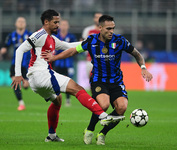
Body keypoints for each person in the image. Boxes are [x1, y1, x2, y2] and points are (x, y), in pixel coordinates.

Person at [11, 9, 125, 143]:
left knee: (57, 101)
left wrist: (92, 41)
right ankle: (103, 115)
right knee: (77, 89)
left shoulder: (52, 38)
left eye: (58, 22)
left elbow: (68, 46)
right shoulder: (40, 34)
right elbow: (20, 49)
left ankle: (51, 136)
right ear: (46, 22)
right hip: (41, 74)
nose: (58, 25)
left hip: (37, 80)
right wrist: (18, 74)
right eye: (55, 22)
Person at [41, 15, 153, 145]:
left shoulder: (120, 41)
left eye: (113, 28)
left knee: (122, 107)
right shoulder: (91, 41)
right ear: (100, 28)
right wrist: (54, 58)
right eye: (108, 28)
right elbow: (73, 51)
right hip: (98, 80)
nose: (111, 31)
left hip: (116, 81)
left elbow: (137, 54)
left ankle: (103, 133)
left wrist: (143, 67)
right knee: (103, 105)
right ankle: (89, 129)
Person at [0, 17, 32, 111]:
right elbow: (6, 46)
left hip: (26, 65)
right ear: (16, 24)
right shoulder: (11, 35)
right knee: (15, 83)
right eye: (19, 21)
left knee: (26, 86)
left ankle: (26, 84)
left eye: (23, 21)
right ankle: (21, 103)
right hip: (15, 64)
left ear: (25, 24)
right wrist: (3, 50)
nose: (21, 23)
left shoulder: (30, 35)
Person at [54, 19, 77, 106]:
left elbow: (76, 48)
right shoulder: (55, 36)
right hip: (57, 63)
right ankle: (56, 99)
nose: (63, 26)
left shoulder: (71, 37)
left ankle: (68, 100)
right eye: (62, 25)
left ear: (68, 26)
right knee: (56, 81)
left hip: (68, 64)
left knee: (68, 82)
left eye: (65, 25)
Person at [81, 12, 103, 77]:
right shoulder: (88, 30)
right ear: (94, 19)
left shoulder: (105, 31)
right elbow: (82, 43)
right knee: (91, 79)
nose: (98, 19)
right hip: (89, 59)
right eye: (96, 17)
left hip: (102, 60)